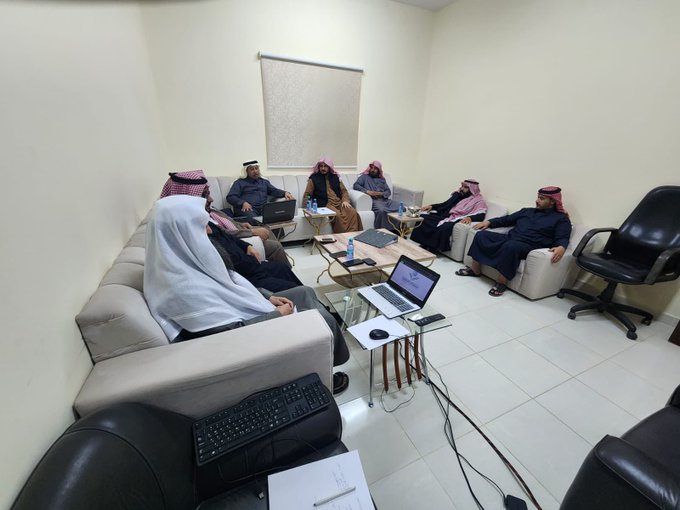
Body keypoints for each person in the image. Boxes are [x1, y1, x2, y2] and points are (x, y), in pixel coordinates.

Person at [144, 195, 350, 394]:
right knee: (322, 319)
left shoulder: (184, 262)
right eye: (202, 225)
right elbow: (231, 335)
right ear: (180, 232)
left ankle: (324, 359)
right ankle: (324, 376)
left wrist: (267, 296)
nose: (209, 230)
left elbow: (230, 286)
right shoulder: (183, 290)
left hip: (249, 308)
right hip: (251, 335)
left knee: (305, 292)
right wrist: (277, 314)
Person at [160, 171, 301, 292]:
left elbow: (225, 234)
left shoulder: (204, 222)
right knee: (300, 291)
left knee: (282, 268)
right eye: (205, 195)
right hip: (244, 279)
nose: (211, 199)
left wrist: (247, 246)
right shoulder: (189, 234)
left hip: (251, 266)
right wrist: (244, 208)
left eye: (257, 168)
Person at [456, 186, 572, 297]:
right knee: (481, 235)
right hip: (511, 238)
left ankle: (501, 283)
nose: (537, 201)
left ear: (552, 201)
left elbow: (562, 237)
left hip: (530, 245)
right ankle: (475, 270)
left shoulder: (561, 219)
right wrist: (489, 222)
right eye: (538, 197)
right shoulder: (527, 211)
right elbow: (506, 220)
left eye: (542, 198)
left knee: (511, 246)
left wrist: (561, 246)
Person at [409, 179, 487, 252]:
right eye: (462, 186)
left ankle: (432, 248)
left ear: (472, 189)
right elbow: (445, 204)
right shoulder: (457, 195)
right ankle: (424, 243)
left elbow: (481, 215)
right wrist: (432, 206)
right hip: (443, 215)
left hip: (455, 218)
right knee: (423, 218)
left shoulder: (478, 201)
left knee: (444, 227)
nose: (462, 189)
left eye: (465, 187)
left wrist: (470, 218)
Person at [304, 158, 363, 233]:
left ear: (329, 167)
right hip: (326, 204)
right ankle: (342, 236)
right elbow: (307, 194)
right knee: (337, 215)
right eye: (321, 166)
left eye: (325, 166)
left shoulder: (335, 177)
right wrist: (307, 208)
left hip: (339, 202)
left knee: (352, 212)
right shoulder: (313, 178)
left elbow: (344, 191)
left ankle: (353, 234)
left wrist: (345, 200)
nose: (323, 168)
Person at [226, 159, 295, 219]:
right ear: (246, 171)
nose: (255, 171)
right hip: (248, 209)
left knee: (276, 217)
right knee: (254, 219)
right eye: (252, 169)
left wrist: (285, 193)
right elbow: (231, 197)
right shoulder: (239, 183)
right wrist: (243, 203)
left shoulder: (264, 182)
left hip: (263, 209)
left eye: (256, 168)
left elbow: (274, 190)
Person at [353, 160, 400, 230]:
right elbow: (356, 185)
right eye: (371, 168)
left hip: (385, 200)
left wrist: (381, 193)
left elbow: (388, 191)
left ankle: (397, 229)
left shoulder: (382, 179)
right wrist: (367, 192)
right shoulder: (364, 177)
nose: (373, 170)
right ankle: (384, 230)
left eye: (375, 168)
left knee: (401, 207)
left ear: (379, 170)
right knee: (381, 210)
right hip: (374, 201)